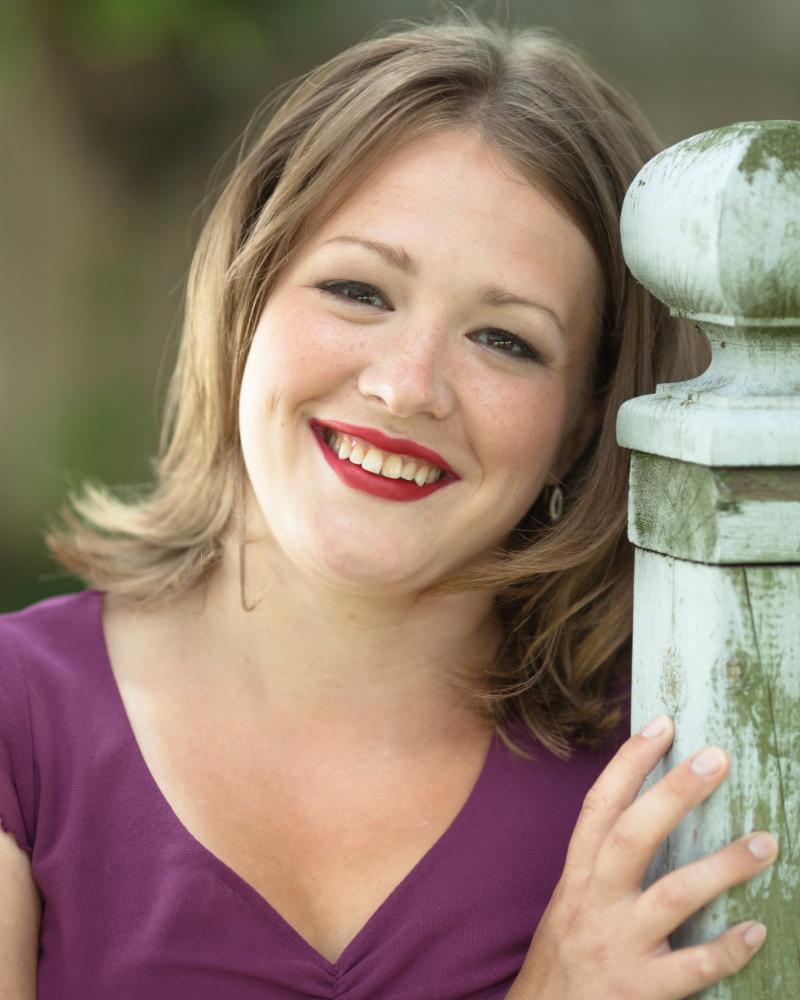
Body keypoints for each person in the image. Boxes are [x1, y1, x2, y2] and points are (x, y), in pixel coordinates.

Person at [0, 16, 777, 1000]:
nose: (407, 387)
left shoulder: (673, 770)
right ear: (244, 300)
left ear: (582, 424)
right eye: (358, 290)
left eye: (504, 340)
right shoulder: (19, 719)